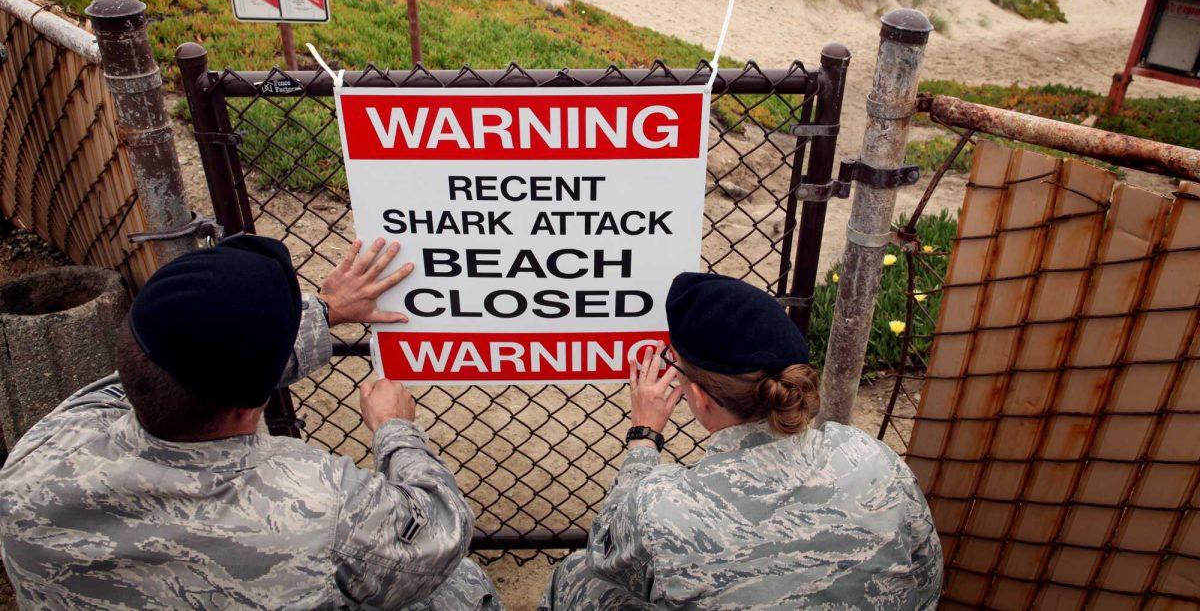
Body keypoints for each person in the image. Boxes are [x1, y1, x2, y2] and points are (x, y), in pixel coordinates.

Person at [0, 234, 499, 609]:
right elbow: (439, 530)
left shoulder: (41, 453)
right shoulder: (320, 508)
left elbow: (189, 368)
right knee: (459, 589)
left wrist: (323, 313)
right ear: (249, 405)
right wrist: (395, 431)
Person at [541, 272, 942, 610]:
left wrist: (643, 440)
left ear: (696, 396)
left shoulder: (663, 506)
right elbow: (927, 573)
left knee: (577, 577)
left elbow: (606, 552)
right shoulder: (869, 455)